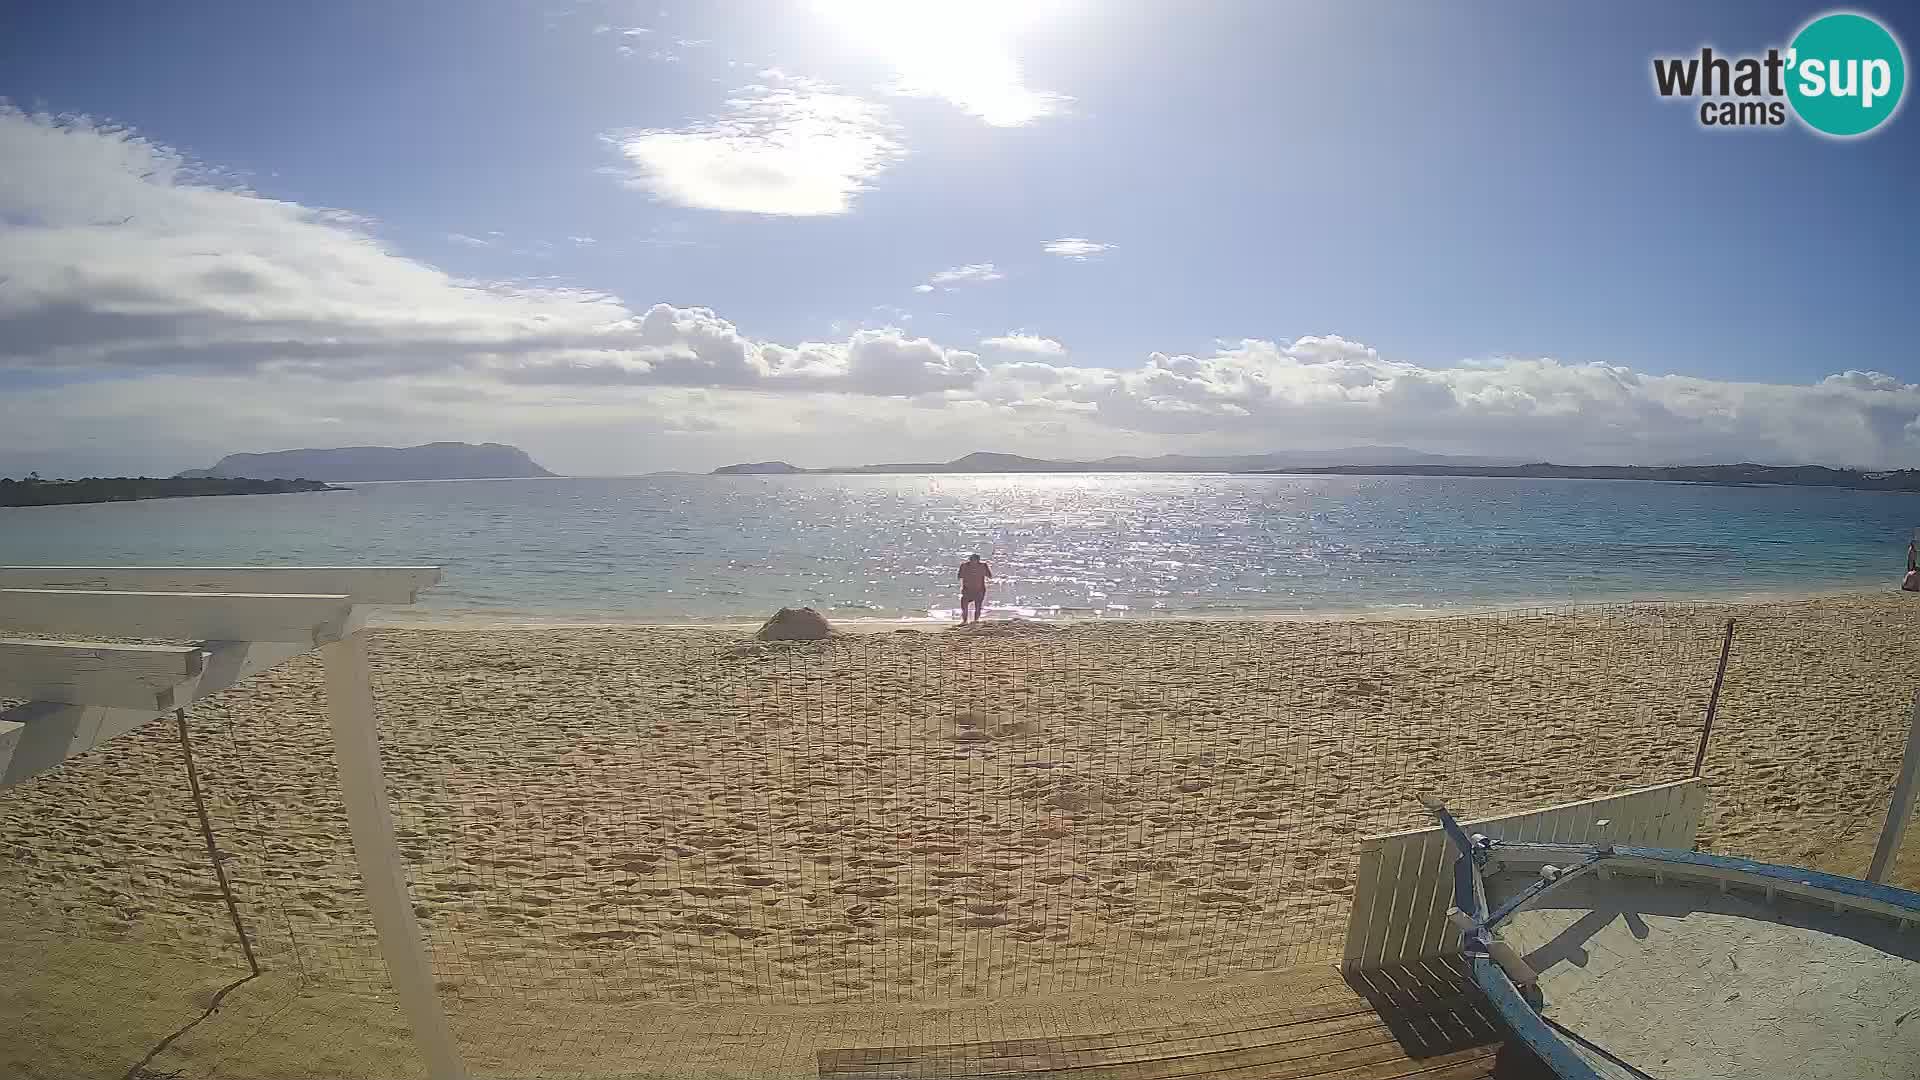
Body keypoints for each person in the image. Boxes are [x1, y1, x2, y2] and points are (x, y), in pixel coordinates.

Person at [957, 553, 993, 624]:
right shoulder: (964, 566)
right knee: (964, 604)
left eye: (974, 561)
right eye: (971, 560)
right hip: (967, 590)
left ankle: (976, 620)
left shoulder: (983, 566)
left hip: (979, 590)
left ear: (978, 561)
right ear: (969, 560)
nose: (973, 562)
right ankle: (965, 620)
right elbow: (959, 576)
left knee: (978, 605)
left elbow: (989, 576)